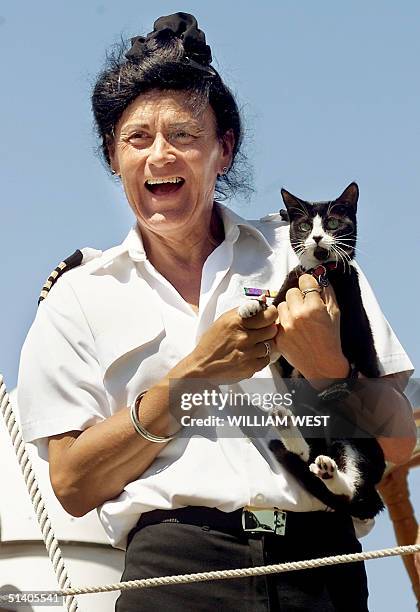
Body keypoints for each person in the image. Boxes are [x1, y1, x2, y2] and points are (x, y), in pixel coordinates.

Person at [17, 12, 416, 612]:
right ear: (112, 157)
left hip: (321, 570)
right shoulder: (79, 297)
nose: (160, 154)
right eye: (137, 138)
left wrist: (329, 370)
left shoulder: (307, 255)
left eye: (184, 134)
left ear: (224, 149)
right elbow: (73, 485)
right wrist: (191, 377)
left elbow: (398, 438)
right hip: (174, 578)